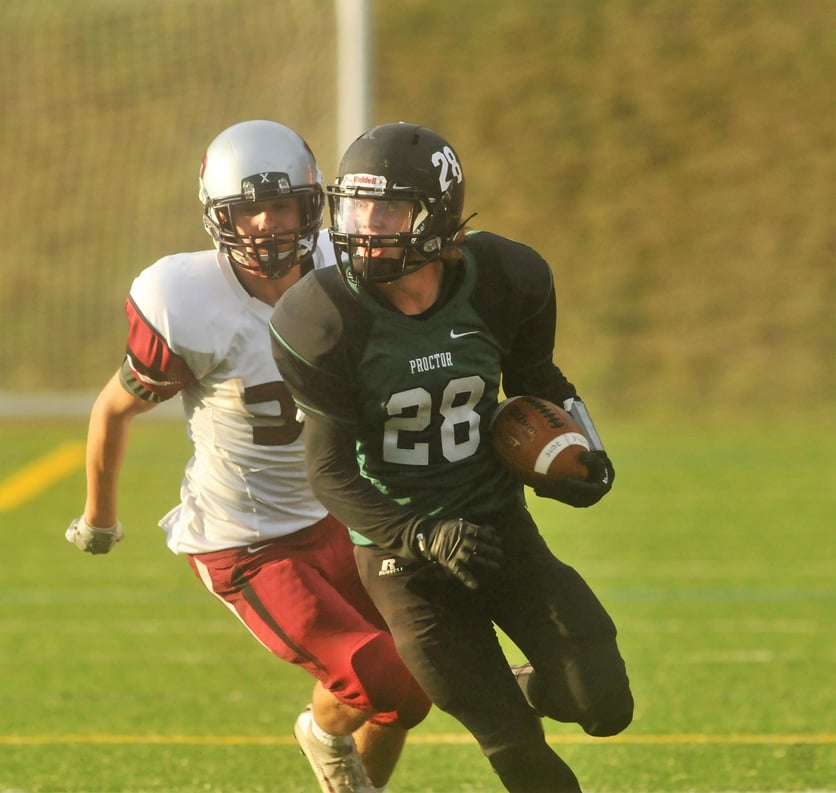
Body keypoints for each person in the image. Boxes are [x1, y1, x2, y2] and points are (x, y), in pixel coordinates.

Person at [65, 119, 431, 793]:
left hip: (336, 513)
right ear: (219, 218)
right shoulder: (185, 299)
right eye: (247, 209)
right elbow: (113, 408)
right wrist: (99, 515)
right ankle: (322, 732)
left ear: (311, 205)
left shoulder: (349, 268)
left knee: (407, 683)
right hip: (247, 542)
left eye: (283, 204)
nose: (267, 223)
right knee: (392, 680)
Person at [269, 122, 634, 793]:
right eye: (355, 207)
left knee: (605, 702)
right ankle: (490, 699)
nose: (364, 226)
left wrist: (582, 449)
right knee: (526, 760)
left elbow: (536, 379)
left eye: (387, 209)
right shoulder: (323, 317)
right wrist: (420, 533)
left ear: (435, 216)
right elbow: (329, 470)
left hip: (497, 525)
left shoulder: (504, 279)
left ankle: (505, 688)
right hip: (404, 559)